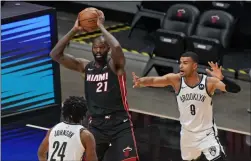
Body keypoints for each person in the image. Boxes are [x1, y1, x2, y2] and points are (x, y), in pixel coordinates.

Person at [50, 9, 139, 161]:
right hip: (96, 125)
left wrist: (101, 27)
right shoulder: (86, 66)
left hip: (120, 123)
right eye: (95, 48)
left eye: (102, 47)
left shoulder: (115, 66)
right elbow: (55, 55)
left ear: (107, 49)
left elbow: (117, 48)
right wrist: (74, 30)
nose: (98, 51)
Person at [132, 51, 241, 161]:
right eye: (180, 63)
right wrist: (141, 81)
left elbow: (236, 89)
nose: (181, 66)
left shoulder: (209, 82)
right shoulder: (176, 80)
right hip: (187, 134)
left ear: (194, 66)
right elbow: (155, 80)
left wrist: (222, 78)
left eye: (185, 63)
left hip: (206, 134)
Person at [37, 96, 98, 161]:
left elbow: (41, 153)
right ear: (84, 113)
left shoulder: (53, 130)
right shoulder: (86, 135)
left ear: (65, 111)